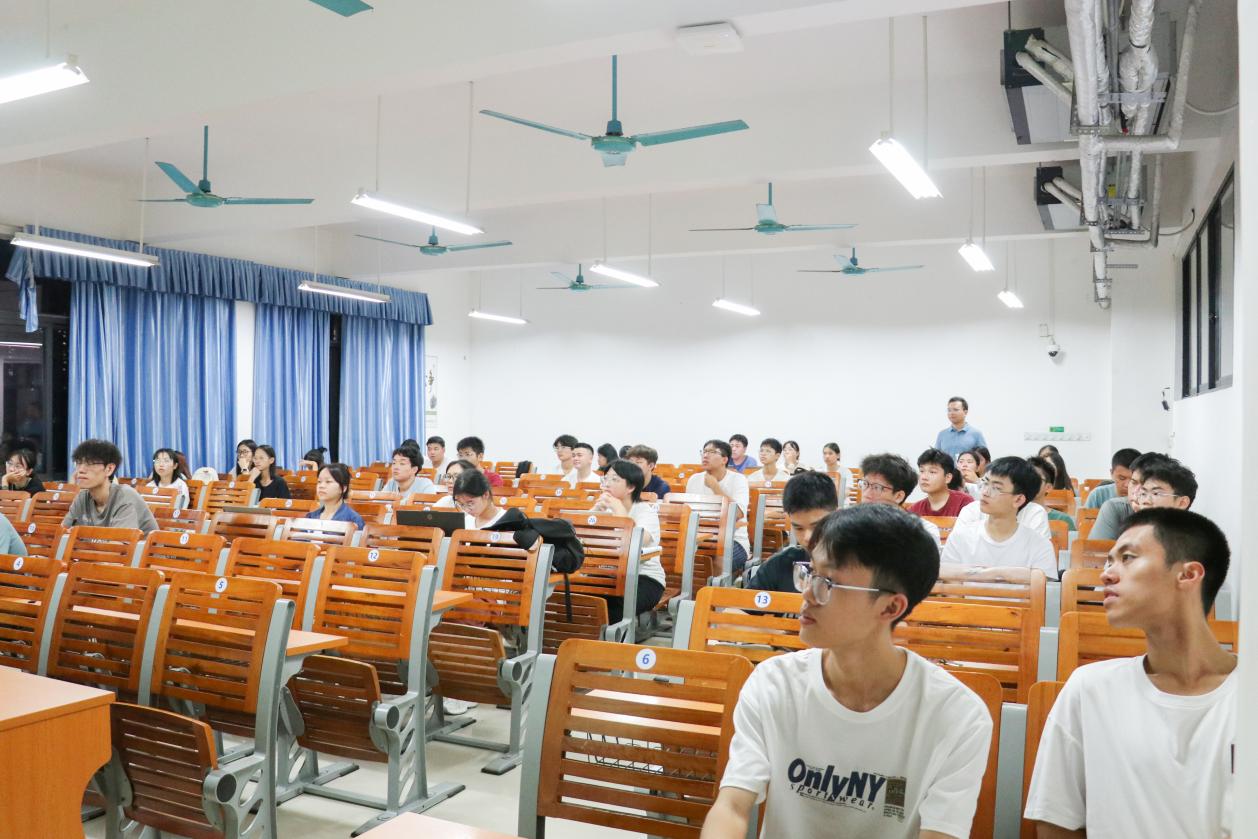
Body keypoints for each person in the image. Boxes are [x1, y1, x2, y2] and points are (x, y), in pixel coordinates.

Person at [702, 504, 992, 839]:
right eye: (810, 573)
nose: (806, 593)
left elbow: (941, 833)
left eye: (828, 582)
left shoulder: (957, 717)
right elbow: (732, 806)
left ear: (891, 606)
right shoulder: (774, 683)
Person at [1024, 508, 1235, 837]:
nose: (1106, 574)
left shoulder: (1240, 697)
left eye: (1128, 558)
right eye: (1108, 561)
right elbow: (1057, 823)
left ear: (1188, 575)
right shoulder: (1090, 688)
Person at [941, 457, 1057, 579]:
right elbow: (945, 576)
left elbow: (1042, 582)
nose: (985, 492)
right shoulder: (961, 536)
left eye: (996, 488)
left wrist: (991, 573)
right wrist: (995, 574)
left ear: (1018, 499)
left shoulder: (1040, 545)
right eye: (985, 483)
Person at [590, 459, 665, 622]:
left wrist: (618, 510)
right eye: (606, 478)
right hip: (608, 574)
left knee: (611, 608)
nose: (607, 484)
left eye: (614, 479)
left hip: (644, 578)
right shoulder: (604, 508)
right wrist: (595, 512)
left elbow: (636, 541)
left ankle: (612, 636)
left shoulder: (645, 512)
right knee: (574, 596)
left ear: (631, 487)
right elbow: (581, 539)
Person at [744, 471, 838, 593]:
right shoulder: (780, 565)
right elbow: (744, 603)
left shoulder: (858, 567)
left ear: (837, 516)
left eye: (817, 527)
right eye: (799, 528)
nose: (807, 537)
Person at [685, 440, 751, 576]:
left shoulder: (738, 480)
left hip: (732, 539)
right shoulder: (694, 479)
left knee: (716, 559)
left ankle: (714, 589)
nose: (705, 455)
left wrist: (715, 487)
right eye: (704, 451)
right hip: (700, 537)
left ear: (724, 459)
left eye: (712, 452)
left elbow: (738, 514)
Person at [62, 439, 158, 533]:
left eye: (90, 463)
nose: (81, 470)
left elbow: (119, 542)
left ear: (109, 469)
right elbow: (61, 533)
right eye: (78, 463)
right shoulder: (82, 498)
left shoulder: (125, 496)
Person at [858, 453, 942, 549]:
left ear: (899, 496)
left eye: (877, 487)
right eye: (865, 484)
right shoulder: (852, 524)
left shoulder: (923, 531)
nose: (866, 493)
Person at [1092, 453, 1178, 540]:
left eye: (1145, 485)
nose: (1136, 492)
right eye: (1134, 482)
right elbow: (1098, 547)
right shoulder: (1114, 508)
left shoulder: (1177, 514)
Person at [907, 449, 975, 517]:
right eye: (922, 471)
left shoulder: (964, 503)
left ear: (948, 478)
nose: (924, 477)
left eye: (932, 472)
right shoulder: (914, 510)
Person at [310, 463, 366, 527]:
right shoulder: (311, 517)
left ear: (343, 488)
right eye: (319, 481)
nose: (321, 486)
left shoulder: (353, 520)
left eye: (328, 482)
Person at [1027, 456, 1076, 531]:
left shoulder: (1063, 520)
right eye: (1026, 478)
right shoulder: (1013, 516)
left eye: (1035, 479)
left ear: (1048, 487)